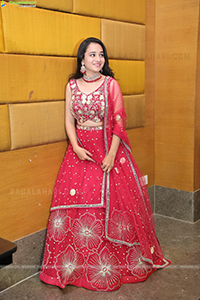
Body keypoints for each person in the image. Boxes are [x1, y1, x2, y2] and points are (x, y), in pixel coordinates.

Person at [40, 37, 170, 291]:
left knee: (113, 200)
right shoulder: (72, 86)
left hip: (107, 147)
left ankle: (110, 264)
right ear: (82, 61)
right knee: (72, 201)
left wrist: (111, 155)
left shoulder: (111, 85)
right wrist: (76, 146)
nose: (98, 59)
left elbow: (120, 123)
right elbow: (69, 120)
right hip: (79, 150)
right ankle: (74, 266)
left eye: (101, 55)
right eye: (92, 55)